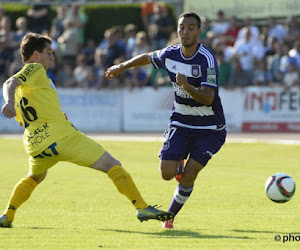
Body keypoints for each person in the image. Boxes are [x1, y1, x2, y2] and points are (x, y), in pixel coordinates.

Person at [0, 32, 174, 228]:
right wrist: (7, 102)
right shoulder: (34, 69)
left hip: (35, 145)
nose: (52, 57)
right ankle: (141, 207)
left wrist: (49, 114)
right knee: (112, 164)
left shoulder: (28, 87)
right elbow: (9, 82)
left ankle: (8, 215)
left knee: (35, 177)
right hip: (62, 138)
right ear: (35, 55)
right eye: (48, 52)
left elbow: (26, 117)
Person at [105, 12, 227, 229]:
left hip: (210, 128)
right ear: (177, 30)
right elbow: (147, 57)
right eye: (182, 28)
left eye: (191, 28)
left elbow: (208, 98)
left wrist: (188, 86)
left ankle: (169, 215)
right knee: (166, 174)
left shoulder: (207, 59)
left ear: (199, 32)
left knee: (189, 175)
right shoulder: (170, 54)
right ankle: (177, 161)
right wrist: (121, 67)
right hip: (181, 121)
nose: (186, 32)